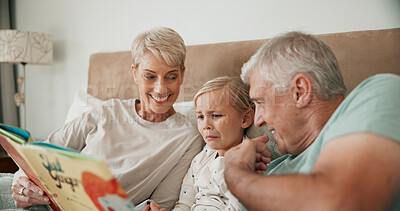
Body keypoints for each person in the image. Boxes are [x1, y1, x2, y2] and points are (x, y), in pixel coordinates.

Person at [11, 27, 204, 210]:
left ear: (182, 74)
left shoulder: (189, 136)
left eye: (171, 77)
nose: (161, 88)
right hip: (47, 200)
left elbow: (162, 202)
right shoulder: (106, 111)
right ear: (135, 73)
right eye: (150, 77)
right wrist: (22, 183)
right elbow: (41, 152)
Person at [224, 31, 400, 211]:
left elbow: (339, 203)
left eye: (261, 102)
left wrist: (235, 172)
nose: (258, 121)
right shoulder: (270, 171)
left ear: (299, 91)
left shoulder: (380, 92)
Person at [143, 76, 264, 211]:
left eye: (216, 115)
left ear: (245, 118)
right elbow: (184, 204)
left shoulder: (253, 159)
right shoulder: (200, 159)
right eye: (200, 117)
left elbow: (242, 206)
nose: (205, 125)